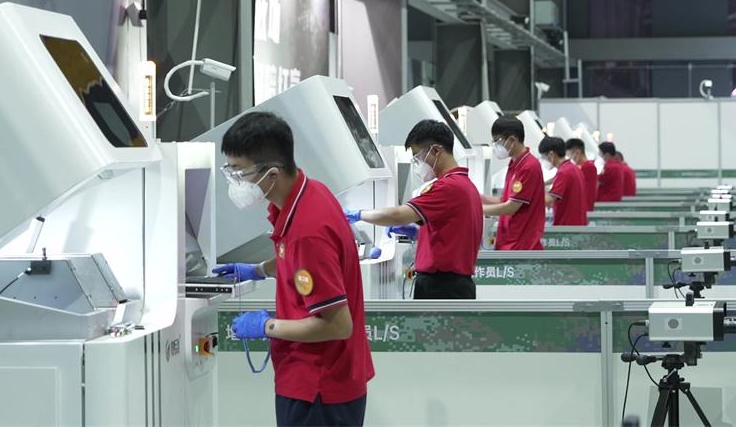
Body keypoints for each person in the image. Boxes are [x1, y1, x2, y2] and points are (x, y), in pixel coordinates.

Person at [211, 112, 373, 427]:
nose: (235, 182)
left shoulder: (307, 230)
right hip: (323, 379)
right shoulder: (307, 194)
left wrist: (267, 326)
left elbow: (339, 325)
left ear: (271, 174)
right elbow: (295, 262)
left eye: (239, 173)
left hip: (319, 387)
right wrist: (258, 270)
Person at [344, 120, 483, 299]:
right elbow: (453, 235)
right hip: (453, 285)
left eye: (418, 157)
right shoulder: (465, 184)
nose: (417, 164)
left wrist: (358, 214)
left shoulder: (447, 187)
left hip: (442, 287)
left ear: (436, 151)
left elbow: (398, 215)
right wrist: (419, 234)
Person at [480, 116, 545, 250]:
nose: (495, 146)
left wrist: (477, 209)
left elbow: (511, 207)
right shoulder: (514, 164)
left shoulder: (529, 166)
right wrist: (477, 197)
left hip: (521, 246)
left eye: (497, 141)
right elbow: (504, 200)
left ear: (512, 140)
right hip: (509, 241)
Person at [538, 136, 588, 226]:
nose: (543, 161)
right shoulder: (573, 168)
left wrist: (527, 199)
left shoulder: (563, 173)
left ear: (551, 154)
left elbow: (548, 200)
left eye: (543, 157)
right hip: (578, 224)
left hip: (567, 226)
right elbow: (555, 181)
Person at [566, 138, 598, 213]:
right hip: (582, 208)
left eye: (570, 156)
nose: (571, 159)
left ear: (577, 152)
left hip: (583, 208)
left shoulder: (588, 167)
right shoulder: (586, 166)